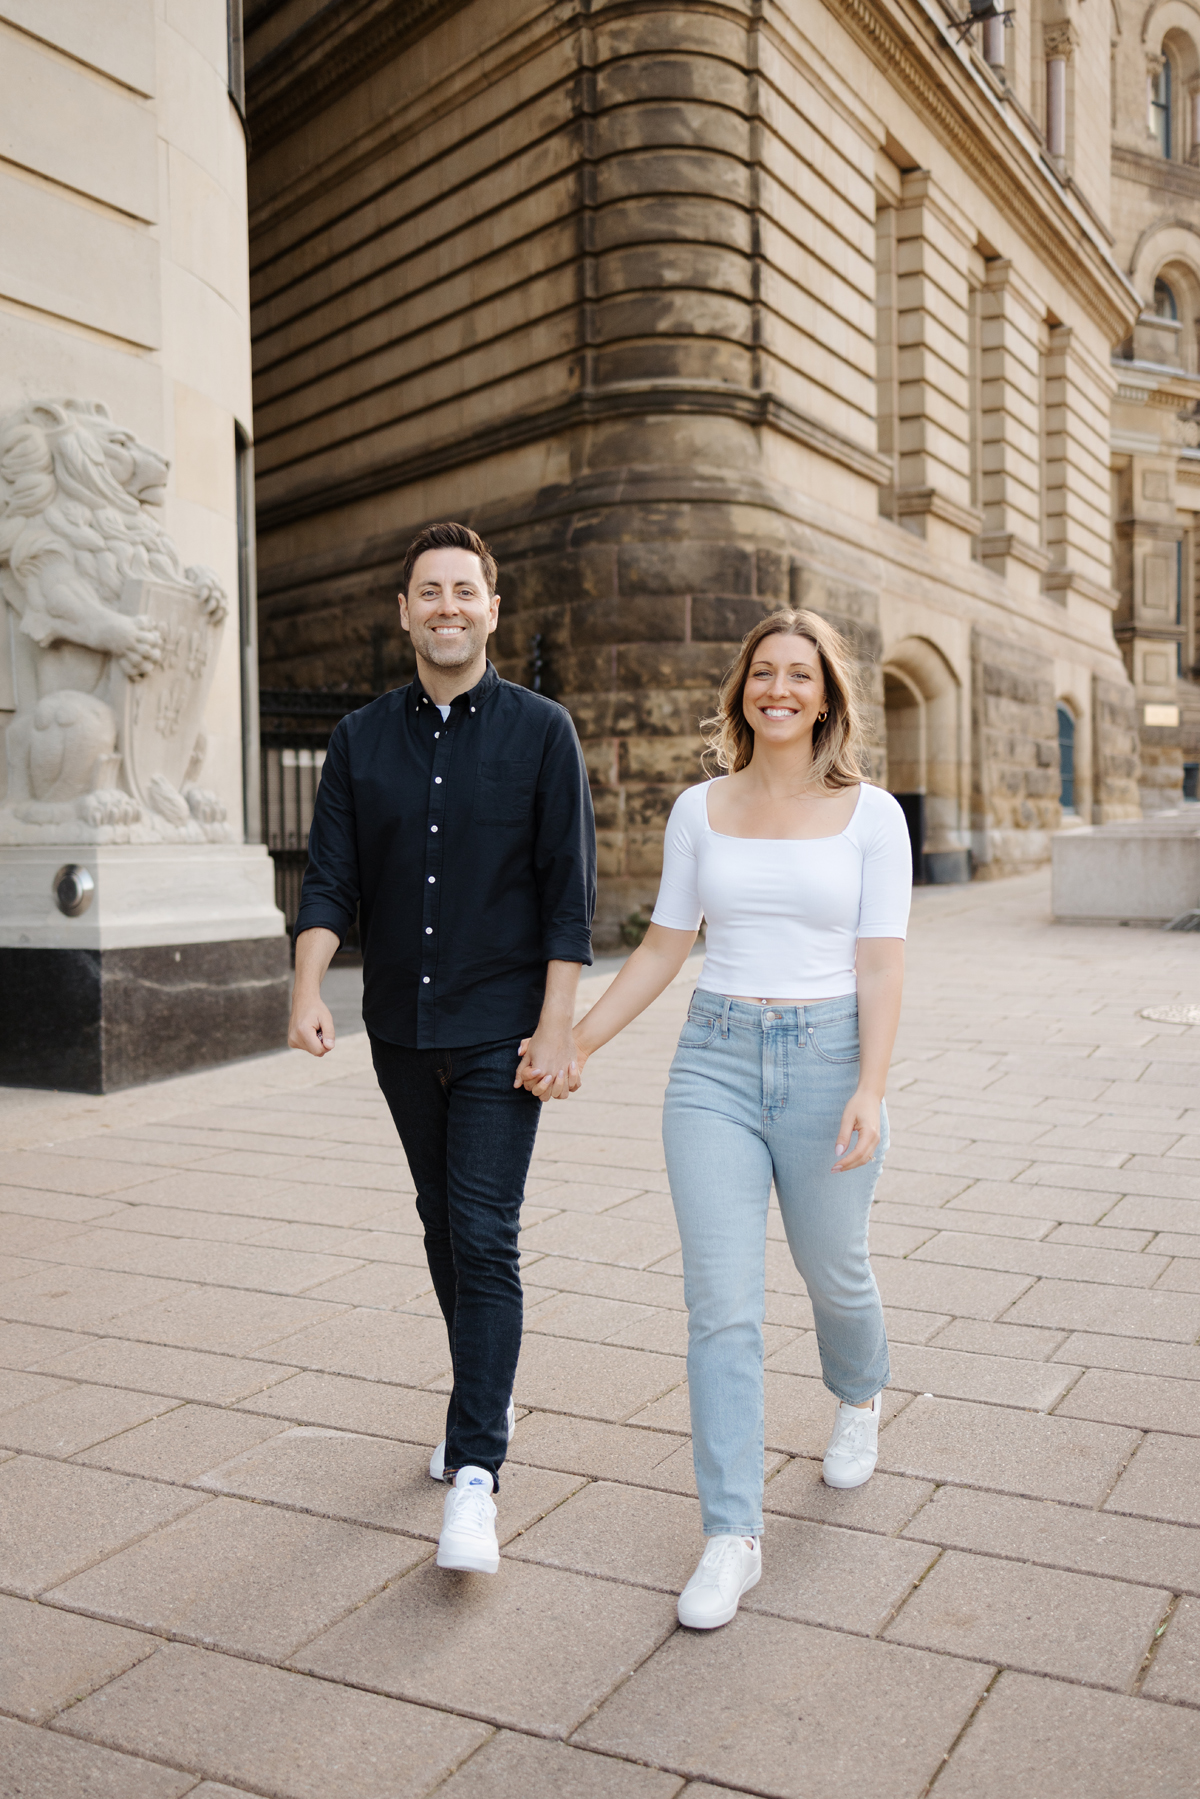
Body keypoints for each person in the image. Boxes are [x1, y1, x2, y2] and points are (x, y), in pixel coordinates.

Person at [570, 609, 910, 1630]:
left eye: (800, 675)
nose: (780, 688)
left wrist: (870, 1086)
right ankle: (732, 1532)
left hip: (828, 1055)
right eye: (764, 672)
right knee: (721, 1306)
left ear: (826, 696)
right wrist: (578, 1039)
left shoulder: (872, 815)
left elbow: (882, 960)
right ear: (743, 689)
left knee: (832, 1269)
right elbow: (667, 948)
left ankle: (860, 1393)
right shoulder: (698, 809)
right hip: (711, 1060)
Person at [288, 521, 595, 1576]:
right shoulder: (359, 739)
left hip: (502, 1032)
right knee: (438, 1222)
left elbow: (568, 894)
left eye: (466, 589)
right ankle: (486, 1380)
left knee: (484, 1227)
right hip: (399, 1030)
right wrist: (304, 986)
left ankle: (476, 1472)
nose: (448, 605)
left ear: (492, 609)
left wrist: (558, 1022)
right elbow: (329, 876)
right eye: (431, 590)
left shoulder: (542, 731)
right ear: (407, 611)